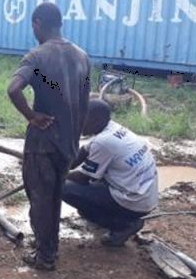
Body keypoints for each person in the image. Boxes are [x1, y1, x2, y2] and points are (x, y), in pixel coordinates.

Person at [7, 2, 91, 271]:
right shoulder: (82, 56)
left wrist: (31, 116)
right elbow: (85, 104)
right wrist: (74, 140)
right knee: (55, 198)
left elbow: (12, 89)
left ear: (37, 24)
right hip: (67, 143)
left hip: (42, 143)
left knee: (41, 201)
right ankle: (49, 250)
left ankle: (45, 257)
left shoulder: (36, 56)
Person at [63, 99, 158, 247]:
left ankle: (124, 226)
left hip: (133, 202)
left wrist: (55, 174)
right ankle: (109, 217)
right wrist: (61, 164)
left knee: (64, 188)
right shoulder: (112, 129)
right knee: (92, 182)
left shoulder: (104, 142)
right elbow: (84, 151)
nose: (78, 122)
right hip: (144, 196)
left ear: (96, 119)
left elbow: (83, 178)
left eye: (82, 119)